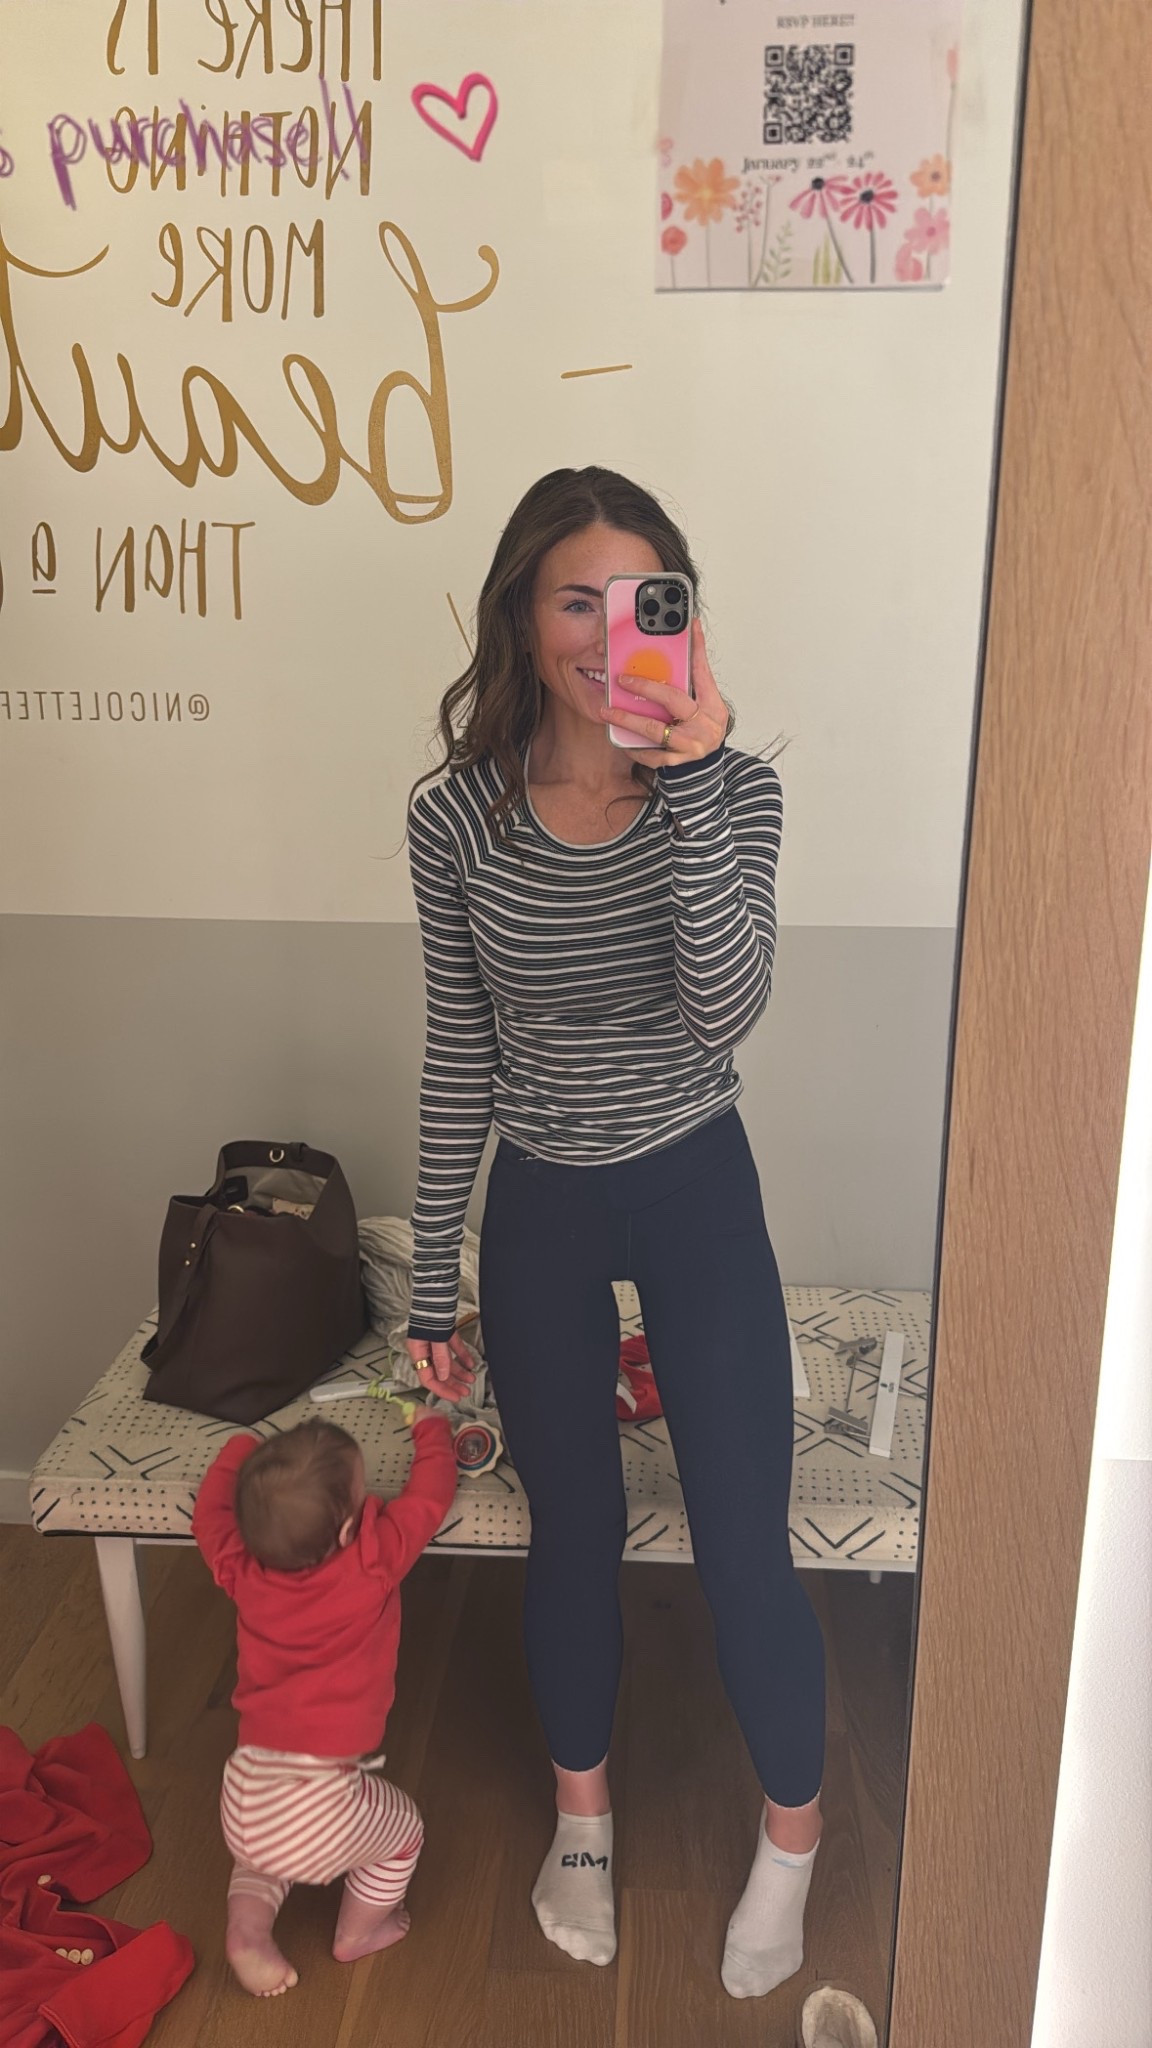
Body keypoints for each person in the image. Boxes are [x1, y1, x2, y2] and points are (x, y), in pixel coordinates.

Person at [403, 466, 826, 2000]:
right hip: (543, 1195)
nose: (604, 632)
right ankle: (580, 1819)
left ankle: (794, 1839)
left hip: (693, 1177)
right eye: (574, 599)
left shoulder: (739, 792)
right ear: (523, 613)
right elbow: (460, 1047)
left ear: (681, 617)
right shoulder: (455, 814)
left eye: (640, 600)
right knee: (568, 1524)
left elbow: (723, 1008)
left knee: (741, 1535)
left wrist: (694, 782)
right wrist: (431, 1277)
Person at [192, 1410, 456, 1997]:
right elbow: (429, 1498)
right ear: (345, 1532)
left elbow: (208, 1515)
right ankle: (359, 1933)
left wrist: (239, 1451)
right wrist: (432, 1431)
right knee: (404, 1834)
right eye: (363, 1494)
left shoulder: (242, 1569)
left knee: (262, 1859)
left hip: (245, 1793)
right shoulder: (370, 1563)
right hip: (322, 1804)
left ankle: (248, 1932)